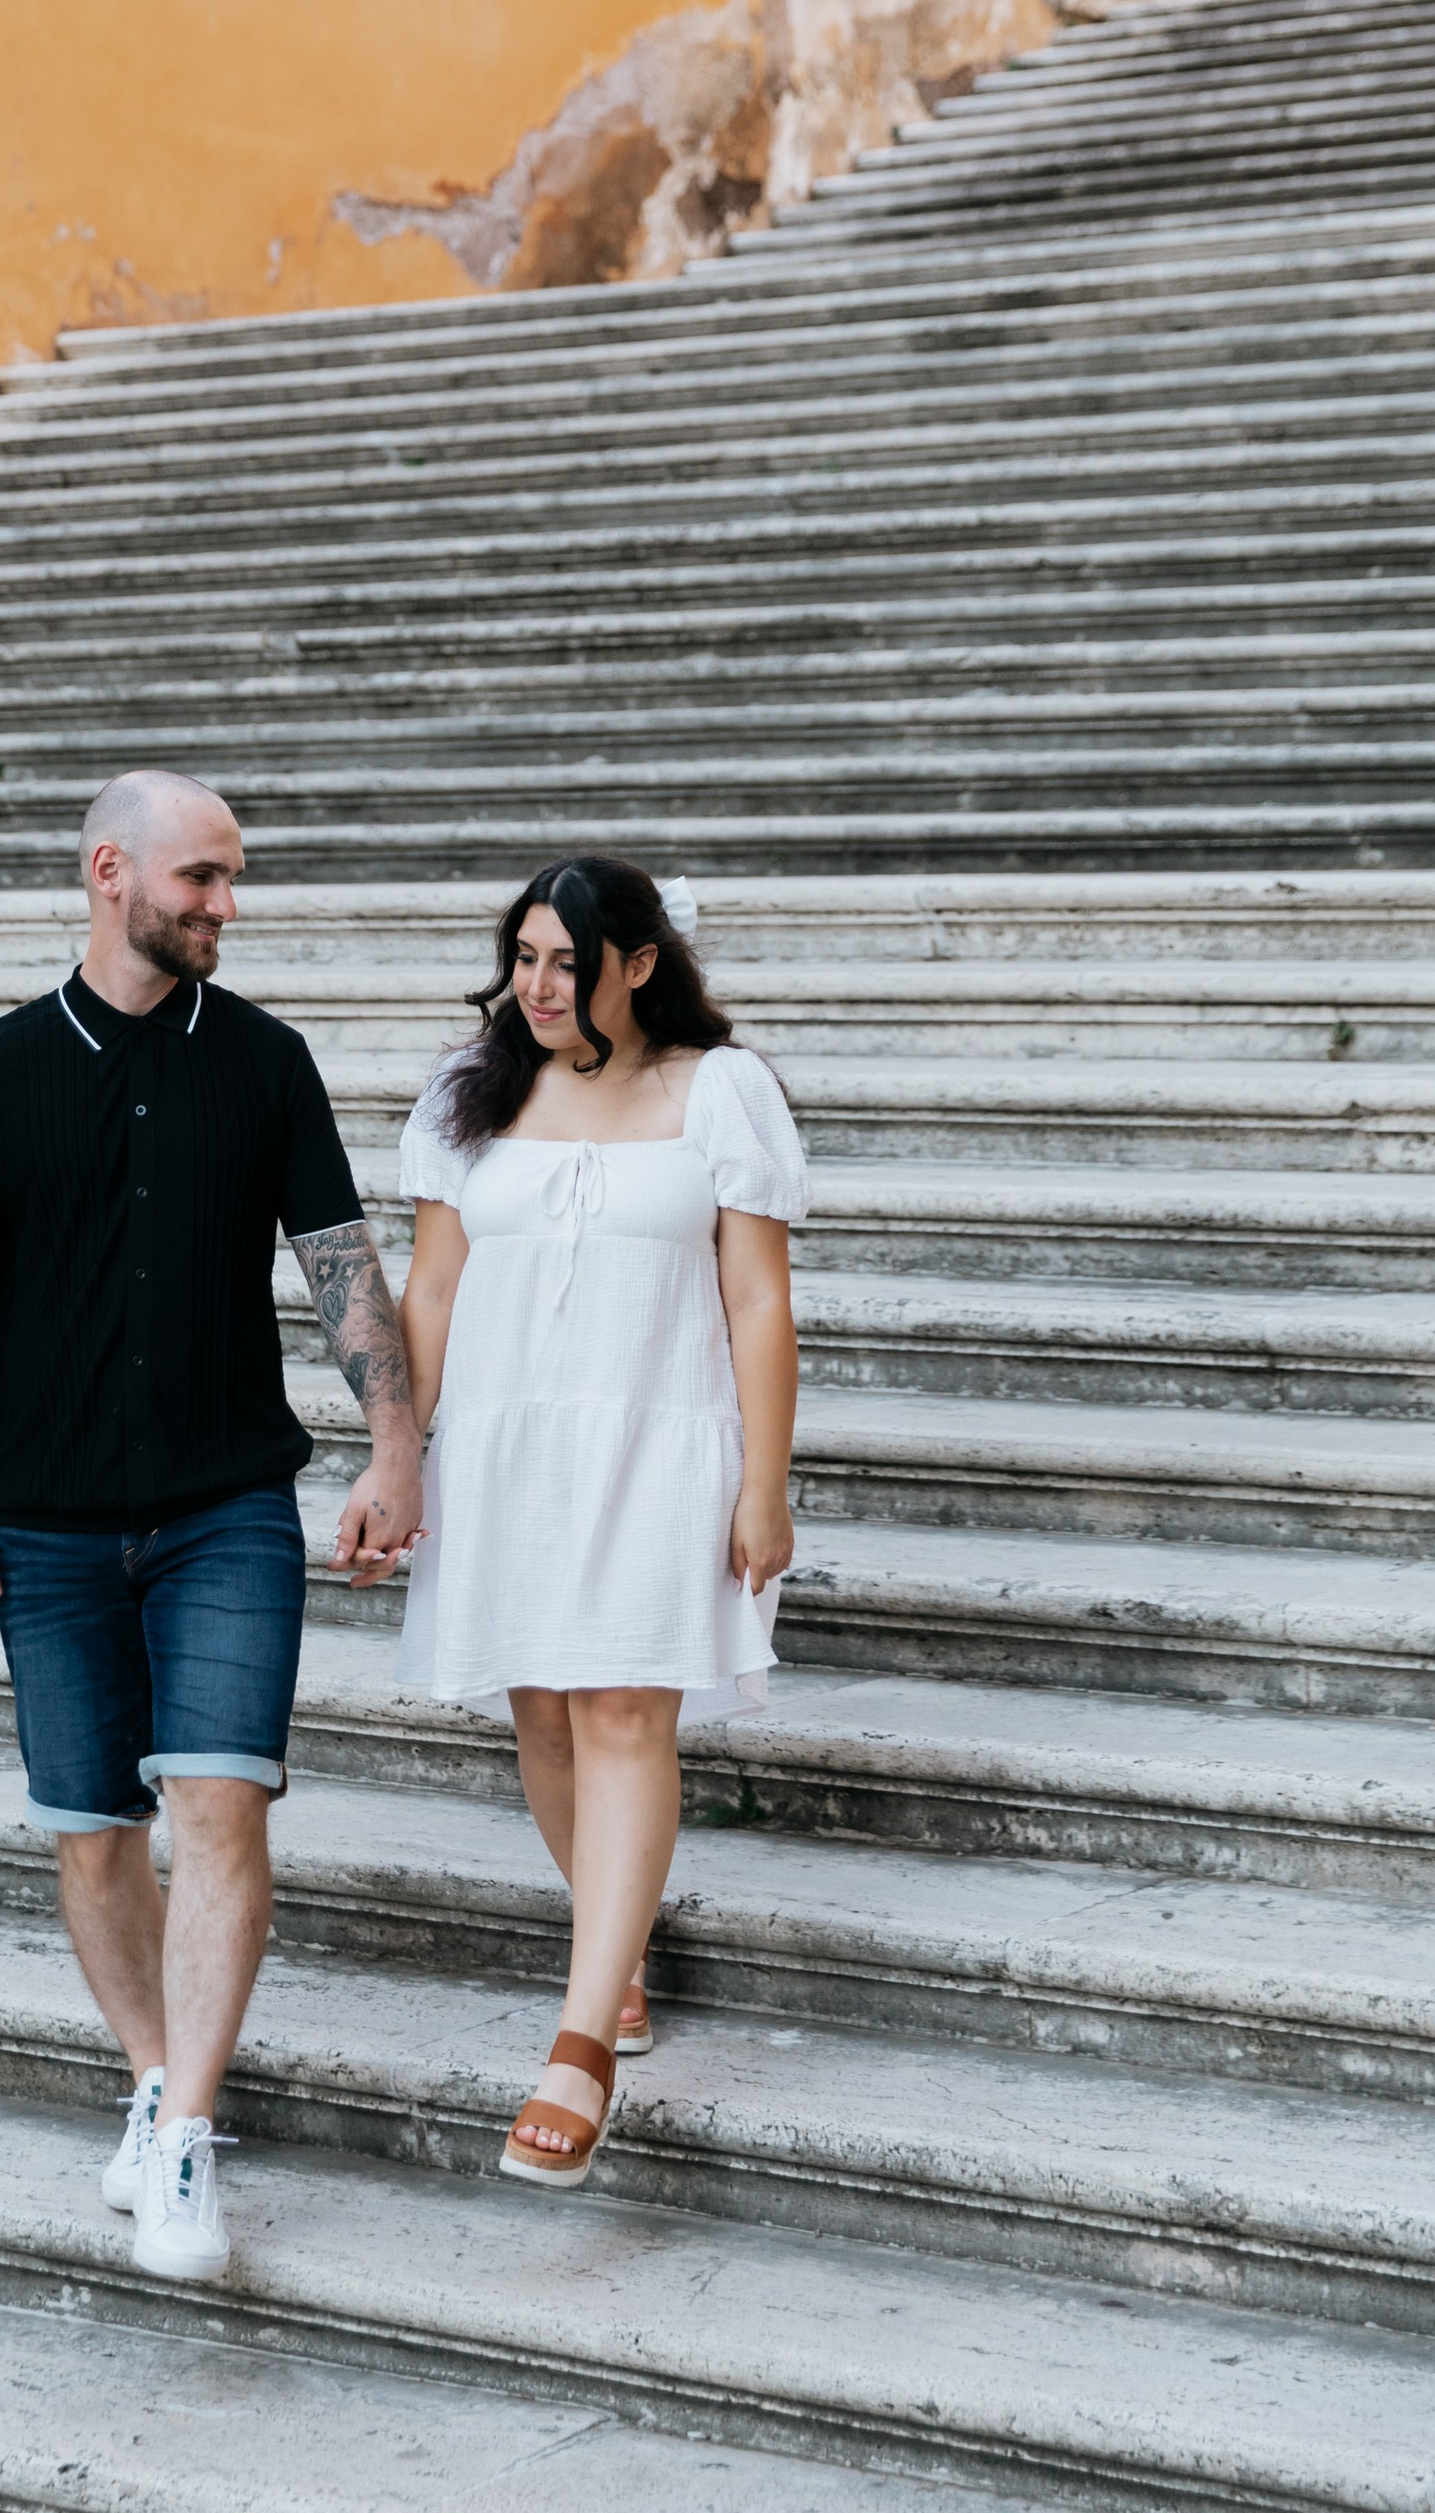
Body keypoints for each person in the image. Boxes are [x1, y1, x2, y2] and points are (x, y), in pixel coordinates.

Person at [0, 768, 423, 2284]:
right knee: (91, 1835)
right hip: (52, 1524)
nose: (224, 905)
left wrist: (396, 1439)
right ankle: (150, 2070)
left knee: (220, 1810)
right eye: (199, 878)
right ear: (109, 872)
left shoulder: (264, 1062)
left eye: (231, 878)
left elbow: (339, 1260)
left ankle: (189, 2128)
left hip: (225, 1515)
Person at [396, 854, 805, 2190]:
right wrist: (397, 1456)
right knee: (544, 1716)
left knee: (625, 1711)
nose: (540, 987)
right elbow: (434, 1294)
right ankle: (611, 1948)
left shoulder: (718, 1092)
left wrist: (765, 1481)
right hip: (505, 1450)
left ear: (638, 961)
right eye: (523, 959)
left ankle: (578, 2044)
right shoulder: (470, 1095)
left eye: (567, 962)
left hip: (655, 1440)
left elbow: (754, 1300)